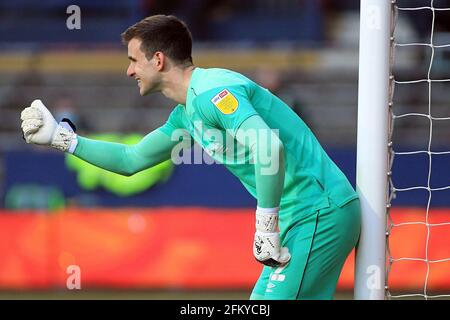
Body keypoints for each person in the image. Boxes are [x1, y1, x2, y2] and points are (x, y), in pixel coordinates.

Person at [20, 15, 361, 300]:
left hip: (317, 211)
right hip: (306, 218)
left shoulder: (213, 92)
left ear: (158, 60)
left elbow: (268, 147)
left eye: (133, 60)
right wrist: (63, 140)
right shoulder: (188, 114)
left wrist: (266, 225)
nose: (128, 71)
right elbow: (130, 160)